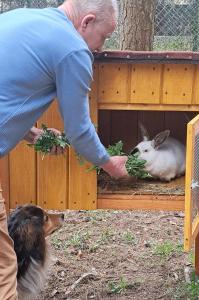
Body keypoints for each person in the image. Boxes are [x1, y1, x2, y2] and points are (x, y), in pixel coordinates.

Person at [0, 0, 128, 298]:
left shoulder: (19, 18)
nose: (100, 47)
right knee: (5, 263)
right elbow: (79, 130)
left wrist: (29, 133)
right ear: (87, 22)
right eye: (104, 36)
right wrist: (110, 165)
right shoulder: (73, 48)